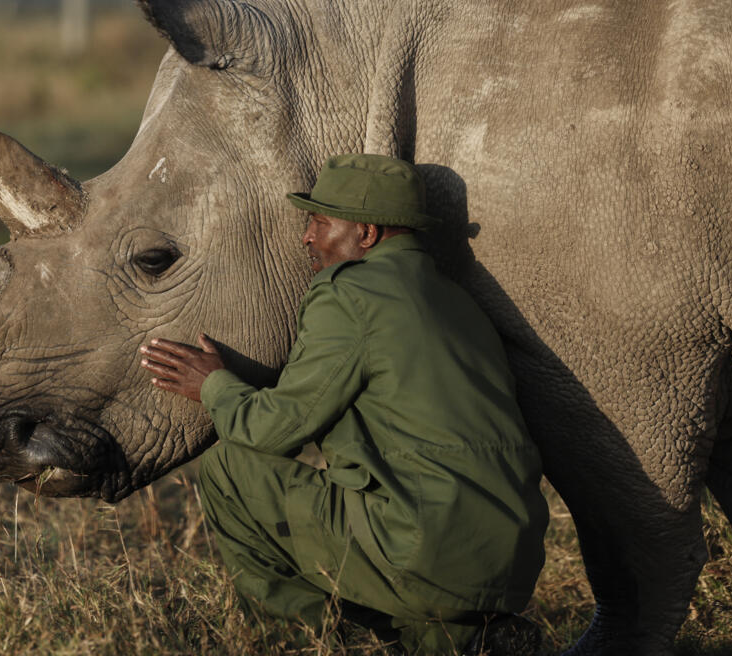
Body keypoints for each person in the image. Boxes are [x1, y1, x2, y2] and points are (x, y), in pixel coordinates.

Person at [139, 154, 549, 655]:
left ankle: (350, 638)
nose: (307, 238)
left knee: (230, 465)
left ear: (367, 235)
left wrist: (214, 385)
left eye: (320, 222)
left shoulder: (349, 293)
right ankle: (463, 633)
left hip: (420, 554)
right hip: (509, 566)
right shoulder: (459, 301)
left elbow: (275, 430)